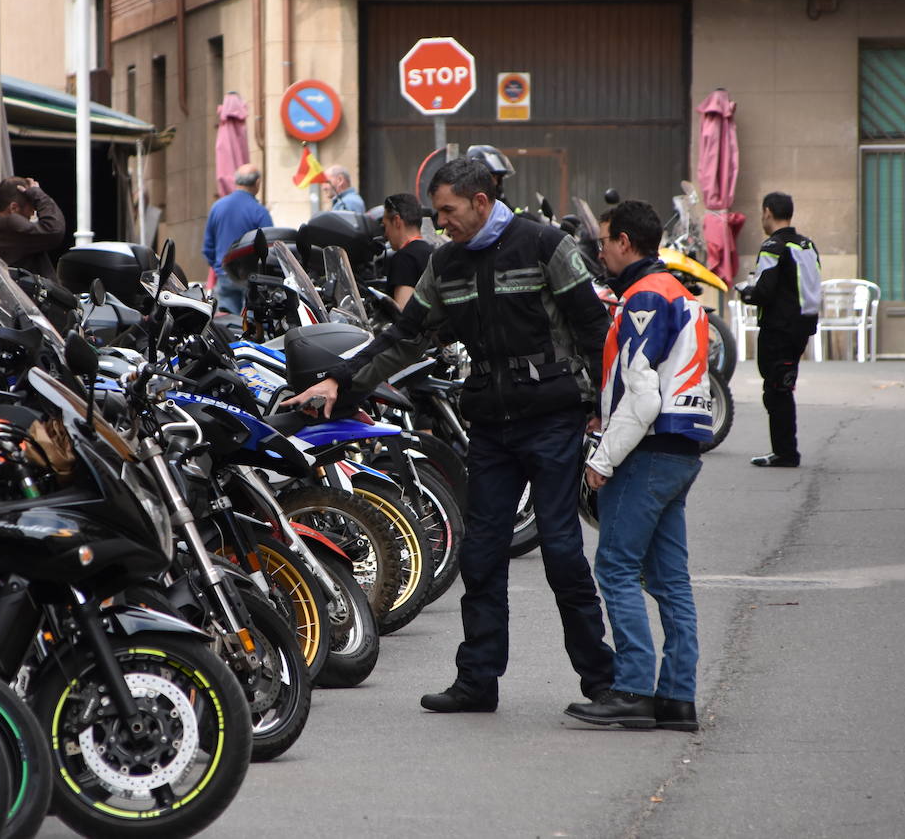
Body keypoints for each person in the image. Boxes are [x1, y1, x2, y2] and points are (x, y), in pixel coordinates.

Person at [286, 158, 615, 714]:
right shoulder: (446, 263)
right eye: (436, 213)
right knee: (481, 555)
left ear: (481, 202)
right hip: (491, 427)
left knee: (562, 553)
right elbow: (403, 338)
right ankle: (477, 681)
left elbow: (594, 329)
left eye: (448, 211)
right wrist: (339, 384)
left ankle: (601, 682)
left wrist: (606, 409)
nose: (440, 224)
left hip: (553, 421)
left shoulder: (543, 245)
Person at [563, 200, 711, 731]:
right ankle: (677, 698)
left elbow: (642, 396)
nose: (600, 250)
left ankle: (630, 689)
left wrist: (602, 460)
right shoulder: (679, 291)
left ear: (625, 241)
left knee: (616, 568)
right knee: (671, 581)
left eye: (604, 241)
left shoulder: (644, 296)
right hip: (682, 448)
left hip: (648, 450)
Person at [736, 192, 821, 468]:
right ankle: (785, 451)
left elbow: (764, 291)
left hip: (779, 329)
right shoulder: (807, 244)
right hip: (801, 328)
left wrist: (745, 293)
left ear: (768, 212)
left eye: (763, 213)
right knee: (782, 386)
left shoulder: (773, 246)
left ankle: (786, 453)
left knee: (776, 390)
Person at [202, 163, 272, 314]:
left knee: (229, 325)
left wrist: (219, 267)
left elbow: (208, 247)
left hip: (225, 275)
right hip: (253, 278)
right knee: (251, 324)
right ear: (258, 182)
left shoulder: (217, 207)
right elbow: (270, 247)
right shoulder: (259, 211)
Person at [381, 192, 433, 310]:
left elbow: (402, 311)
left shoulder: (404, 258)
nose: (385, 234)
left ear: (397, 221)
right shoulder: (432, 252)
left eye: (385, 226)